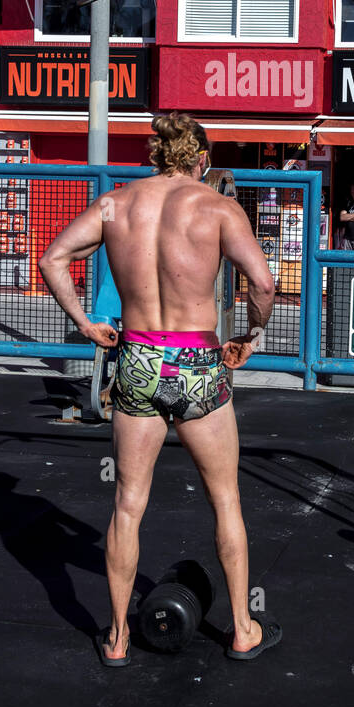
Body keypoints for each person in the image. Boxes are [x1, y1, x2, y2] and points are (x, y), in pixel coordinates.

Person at [38, 111, 279, 667]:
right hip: (198, 359)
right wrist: (252, 333)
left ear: (155, 156)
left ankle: (118, 638)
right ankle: (242, 630)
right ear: (201, 160)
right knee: (225, 501)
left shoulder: (116, 205)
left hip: (139, 358)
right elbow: (263, 284)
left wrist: (84, 323)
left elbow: (53, 258)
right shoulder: (219, 207)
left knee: (127, 504)